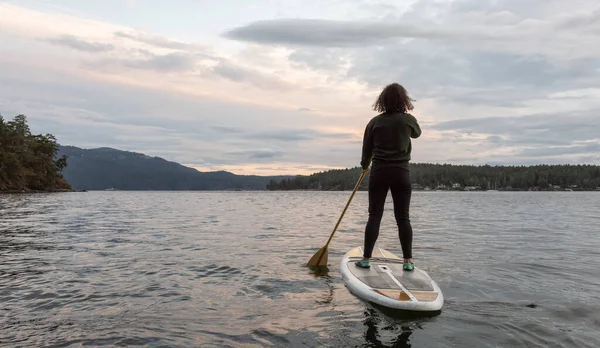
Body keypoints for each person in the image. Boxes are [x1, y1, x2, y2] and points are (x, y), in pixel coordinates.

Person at [355, 83, 422, 271]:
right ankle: (408, 261)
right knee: (403, 218)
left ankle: (366, 258)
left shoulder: (374, 122)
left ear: (381, 101)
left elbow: (366, 149)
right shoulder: (408, 120)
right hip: (401, 173)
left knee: (374, 216)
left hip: (379, 172)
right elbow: (417, 134)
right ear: (404, 100)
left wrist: (364, 166)